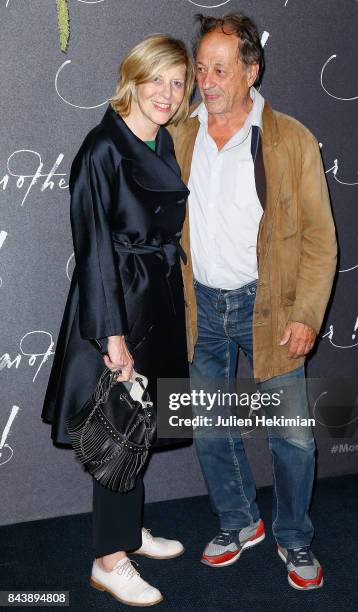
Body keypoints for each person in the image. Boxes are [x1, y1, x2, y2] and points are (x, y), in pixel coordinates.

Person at [170, 13, 337, 590]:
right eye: (200, 67)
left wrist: (306, 313)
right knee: (211, 428)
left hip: (268, 308)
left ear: (251, 70)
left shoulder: (291, 139)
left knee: (290, 434)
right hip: (201, 309)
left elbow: (319, 237)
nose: (206, 79)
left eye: (220, 68)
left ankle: (294, 539)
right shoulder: (178, 135)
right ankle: (240, 521)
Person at [42, 34, 195, 606]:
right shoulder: (102, 148)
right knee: (117, 424)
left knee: (139, 427)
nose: (167, 93)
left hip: (154, 300)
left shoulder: (161, 141)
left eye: (179, 83)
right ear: (133, 77)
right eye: (158, 78)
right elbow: (94, 250)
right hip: (115, 309)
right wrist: (112, 336)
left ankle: (127, 534)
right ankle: (108, 560)